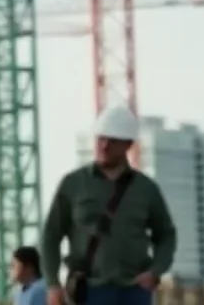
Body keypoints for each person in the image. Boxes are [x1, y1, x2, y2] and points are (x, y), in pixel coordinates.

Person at [41, 105, 177, 305]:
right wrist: (53, 284)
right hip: (88, 291)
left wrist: (155, 272)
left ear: (128, 145)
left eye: (112, 140)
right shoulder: (73, 184)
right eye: (100, 138)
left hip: (134, 292)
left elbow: (166, 234)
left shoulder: (146, 189)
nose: (104, 145)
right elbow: (50, 236)